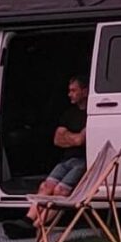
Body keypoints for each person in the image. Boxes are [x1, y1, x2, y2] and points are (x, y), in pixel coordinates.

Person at [24, 75, 89, 230]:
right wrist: (75, 137)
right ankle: (26, 222)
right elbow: (57, 140)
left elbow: (80, 140)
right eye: (69, 91)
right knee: (45, 186)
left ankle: (37, 226)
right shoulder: (68, 114)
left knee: (60, 190)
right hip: (66, 159)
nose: (69, 94)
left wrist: (69, 136)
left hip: (82, 161)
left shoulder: (92, 113)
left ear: (85, 91)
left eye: (73, 91)